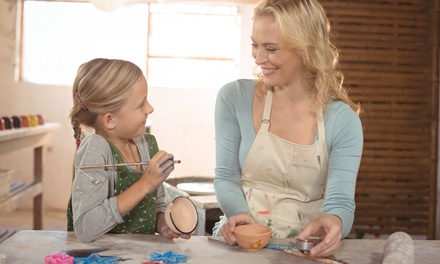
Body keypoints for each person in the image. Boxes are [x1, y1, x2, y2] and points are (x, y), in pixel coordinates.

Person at [213, 0, 363, 258]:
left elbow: (340, 203)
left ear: (307, 48)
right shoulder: (234, 98)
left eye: (271, 48)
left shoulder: (342, 120)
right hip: (241, 244)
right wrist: (241, 217)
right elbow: (226, 177)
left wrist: (335, 221)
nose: (259, 58)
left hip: (306, 249)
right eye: (255, 45)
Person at [67, 58, 190, 243]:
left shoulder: (147, 144)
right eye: (141, 104)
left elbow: (155, 206)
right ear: (109, 120)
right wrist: (145, 184)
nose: (150, 108)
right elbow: (85, 228)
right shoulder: (96, 148)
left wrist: (164, 224)